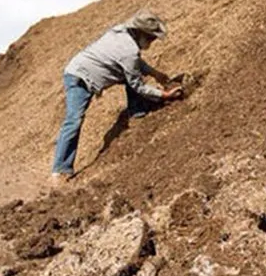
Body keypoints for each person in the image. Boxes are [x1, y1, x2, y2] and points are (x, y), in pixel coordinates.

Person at [52, 10, 182, 180]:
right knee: (74, 120)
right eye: (151, 38)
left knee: (130, 76)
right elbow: (136, 83)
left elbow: (133, 63)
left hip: (84, 68)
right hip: (79, 78)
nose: (152, 41)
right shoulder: (128, 50)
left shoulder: (121, 32)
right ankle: (60, 170)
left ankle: (137, 112)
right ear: (141, 33)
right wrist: (164, 95)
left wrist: (154, 73)